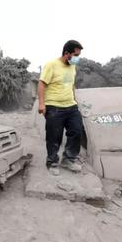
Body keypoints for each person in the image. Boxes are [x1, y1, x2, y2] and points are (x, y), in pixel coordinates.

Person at [38, 40, 84, 175]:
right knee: (54, 136)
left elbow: (71, 84)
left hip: (71, 106)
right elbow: (41, 84)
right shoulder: (51, 64)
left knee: (76, 131)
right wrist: (41, 104)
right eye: (75, 55)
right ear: (66, 53)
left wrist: (75, 100)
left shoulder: (72, 66)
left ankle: (68, 159)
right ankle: (52, 162)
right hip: (54, 107)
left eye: (78, 55)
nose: (77, 58)